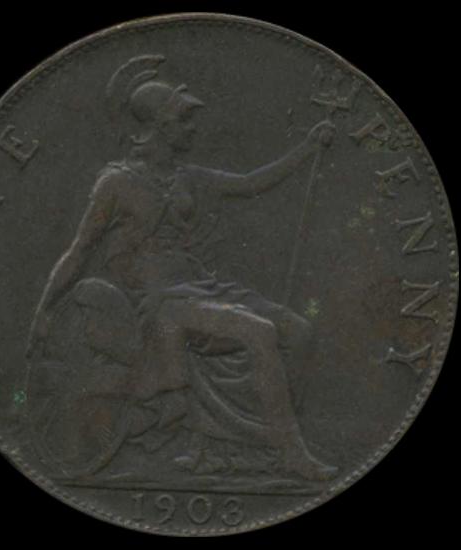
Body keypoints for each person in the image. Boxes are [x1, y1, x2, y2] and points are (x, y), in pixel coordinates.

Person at [27, 55, 337, 481]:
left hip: (200, 289)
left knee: (299, 333)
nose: (192, 128)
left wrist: (307, 149)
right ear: (157, 125)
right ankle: (291, 453)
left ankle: (249, 448)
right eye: (183, 119)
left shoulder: (187, 177)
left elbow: (250, 184)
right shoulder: (115, 183)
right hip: (156, 303)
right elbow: (80, 251)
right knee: (258, 331)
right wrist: (45, 311)